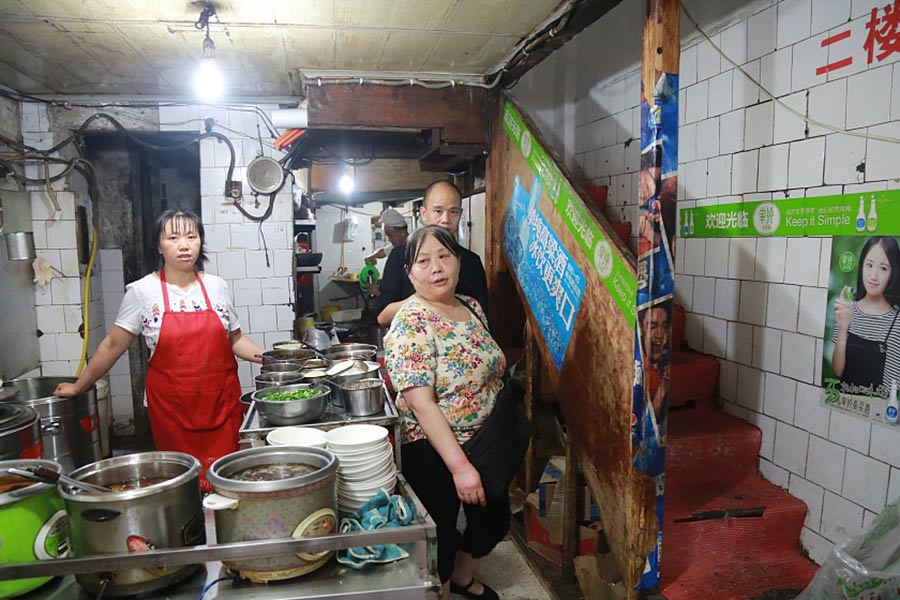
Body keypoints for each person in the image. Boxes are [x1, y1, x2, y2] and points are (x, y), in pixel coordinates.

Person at [54, 209, 265, 489]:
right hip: (173, 410)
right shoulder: (142, 292)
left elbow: (236, 339)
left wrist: (274, 360)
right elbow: (112, 345)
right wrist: (80, 386)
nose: (184, 245)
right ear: (158, 245)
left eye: (192, 236)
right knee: (181, 482)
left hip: (222, 405)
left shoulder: (217, 287)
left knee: (226, 479)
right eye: (173, 237)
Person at [384, 225, 506, 600]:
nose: (436, 267)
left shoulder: (471, 306)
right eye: (423, 261)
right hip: (435, 445)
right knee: (442, 535)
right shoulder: (410, 320)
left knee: (493, 522)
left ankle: (465, 579)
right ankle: (442, 591)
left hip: (487, 440)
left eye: (444, 256)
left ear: (458, 261)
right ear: (409, 272)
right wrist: (460, 468)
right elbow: (422, 403)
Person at [376, 180, 489, 328]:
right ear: (424, 213)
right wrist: (423, 298)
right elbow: (382, 316)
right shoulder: (401, 256)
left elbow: (483, 318)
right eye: (438, 211)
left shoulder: (471, 261)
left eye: (453, 212)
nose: (446, 220)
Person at [832, 236, 900, 397]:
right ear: (862, 266)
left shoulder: (897, 320)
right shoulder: (848, 309)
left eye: (883, 268)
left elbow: (893, 386)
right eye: (869, 265)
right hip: (846, 402)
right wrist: (843, 327)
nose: (873, 276)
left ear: (893, 273)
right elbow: (837, 370)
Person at [363, 208, 409, 297]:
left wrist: (379, 293)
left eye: (391, 236)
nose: (389, 239)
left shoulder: (412, 250)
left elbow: (402, 292)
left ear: (402, 233)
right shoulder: (397, 247)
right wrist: (371, 257)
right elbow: (383, 251)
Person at [640, 301, 672, 420]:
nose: (659, 335)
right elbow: (648, 423)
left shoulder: (661, 364)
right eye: (652, 327)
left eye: (664, 326)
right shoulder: (641, 368)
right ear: (641, 328)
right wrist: (663, 387)